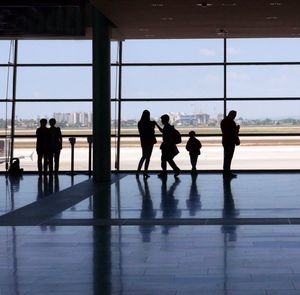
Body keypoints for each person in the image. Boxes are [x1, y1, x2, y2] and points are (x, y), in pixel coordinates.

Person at [156, 114, 181, 178]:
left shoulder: (167, 127)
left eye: (162, 120)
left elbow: (168, 137)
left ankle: (166, 172)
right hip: (169, 146)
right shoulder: (168, 126)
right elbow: (163, 131)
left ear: (164, 120)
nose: (161, 121)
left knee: (164, 159)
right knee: (168, 159)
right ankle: (175, 170)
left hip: (167, 146)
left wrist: (167, 147)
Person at [137, 110, 157, 179]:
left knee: (143, 156)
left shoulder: (140, 123)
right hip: (150, 141)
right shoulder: (150, 123)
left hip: (143, 141)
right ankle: (145, 172)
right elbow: (152, 132)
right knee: (148, 157)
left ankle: (138, 171)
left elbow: (141, 132)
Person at [220, 110, 240, 178]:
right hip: (230, 142)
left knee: (226, 158)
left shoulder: (223, 121)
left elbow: (225, 132)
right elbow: (233, 132)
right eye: (234, 115)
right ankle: (227, 173)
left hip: (225, 141)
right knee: (229, 158)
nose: (234, 117)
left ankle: (226, 172)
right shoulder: (231, 122)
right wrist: (237, 129)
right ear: (232, 115)